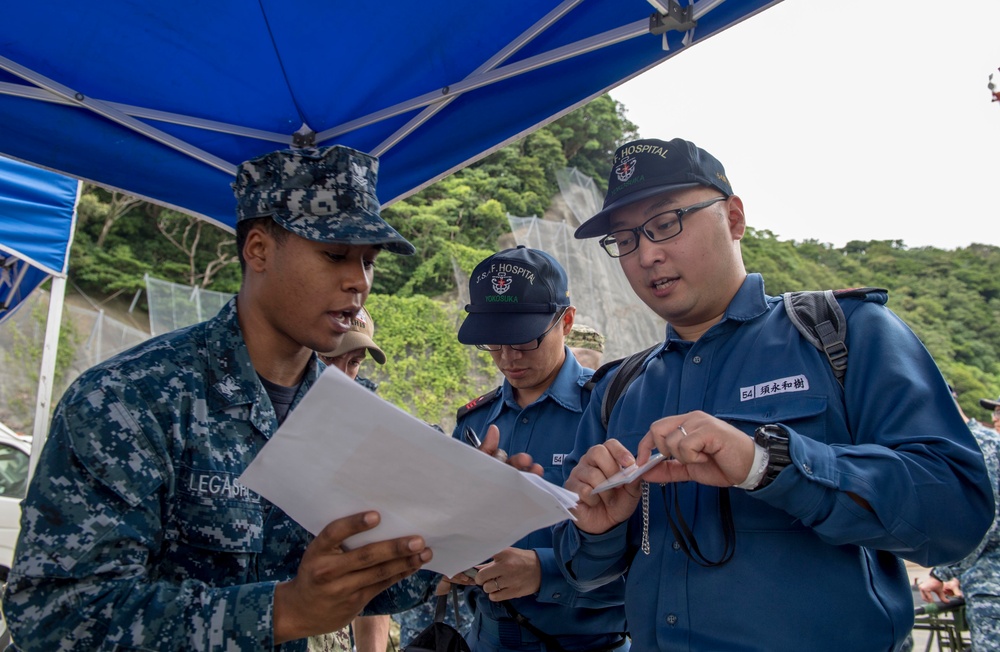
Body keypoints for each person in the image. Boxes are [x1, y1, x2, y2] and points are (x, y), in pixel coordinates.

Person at [552, 137, 994, 651]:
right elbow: (582, 577)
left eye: (666, 222)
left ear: (734, 218)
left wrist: (770, 464)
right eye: (625, 238)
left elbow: (958, 516)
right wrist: (597, 531)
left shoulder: (843, 334)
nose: (647, 254)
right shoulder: (618, 390)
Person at [1, 145, 437, 651]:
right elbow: (57, 616)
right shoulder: (127, 400)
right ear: (258, 250)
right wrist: (282, 611)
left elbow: (364, 575)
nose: (358, 281)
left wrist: (459, 529)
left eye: (368, 261)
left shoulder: (355, 414)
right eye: (335, 254)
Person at [440, 245, 627, 652]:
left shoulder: (614, 414)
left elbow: (657, 555)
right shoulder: (475, 423)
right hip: (485, 640)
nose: (508, 357)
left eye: (524, 340)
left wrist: (547, 572)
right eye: (492, 342)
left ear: (567, 321)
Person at [312, 304, 392, 652]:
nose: (343, 377)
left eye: (354, 362)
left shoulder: (365, 434)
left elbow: (373, 559)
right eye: (328, 360)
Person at [917, 387, 1000, 651]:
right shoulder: (962, 444)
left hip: (992, 589)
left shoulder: (977, 445)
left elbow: (986, 520)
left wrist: (943, 573)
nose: (996, 417)